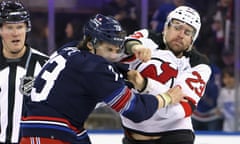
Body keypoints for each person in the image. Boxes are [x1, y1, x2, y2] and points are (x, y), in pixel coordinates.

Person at [19, 14, 185, 144]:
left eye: (116, 49)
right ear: (91, 44)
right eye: (108, 49)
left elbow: (100, 69)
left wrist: (126, 73)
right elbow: (135, 110)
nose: (114, 55)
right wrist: (167, 98)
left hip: (56, 129)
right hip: (49, 132)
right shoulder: (95, 67)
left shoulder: (69, 49)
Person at [120, 6, 211, 144]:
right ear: (165, 28)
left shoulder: (200, 65)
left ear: (192, 40)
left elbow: (180, 110)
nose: (180, 34)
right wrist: (134, 47)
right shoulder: (148, 38)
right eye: (176, 27)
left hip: (176, 135)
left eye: (187, 32)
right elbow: (119, 48)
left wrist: (145, 85)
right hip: (133, 135)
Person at [0, 1, 49, 144]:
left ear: (27, 29)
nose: (15, 33)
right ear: (1, 30)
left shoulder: (45, 65)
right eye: (9, 27)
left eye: (20, 27)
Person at [217, 66, 239, 132]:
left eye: (230, 77)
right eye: (225, 78)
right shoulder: (222, 92)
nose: (228, 80)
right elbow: (220, 108)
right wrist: (220, 112)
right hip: (227, 127)